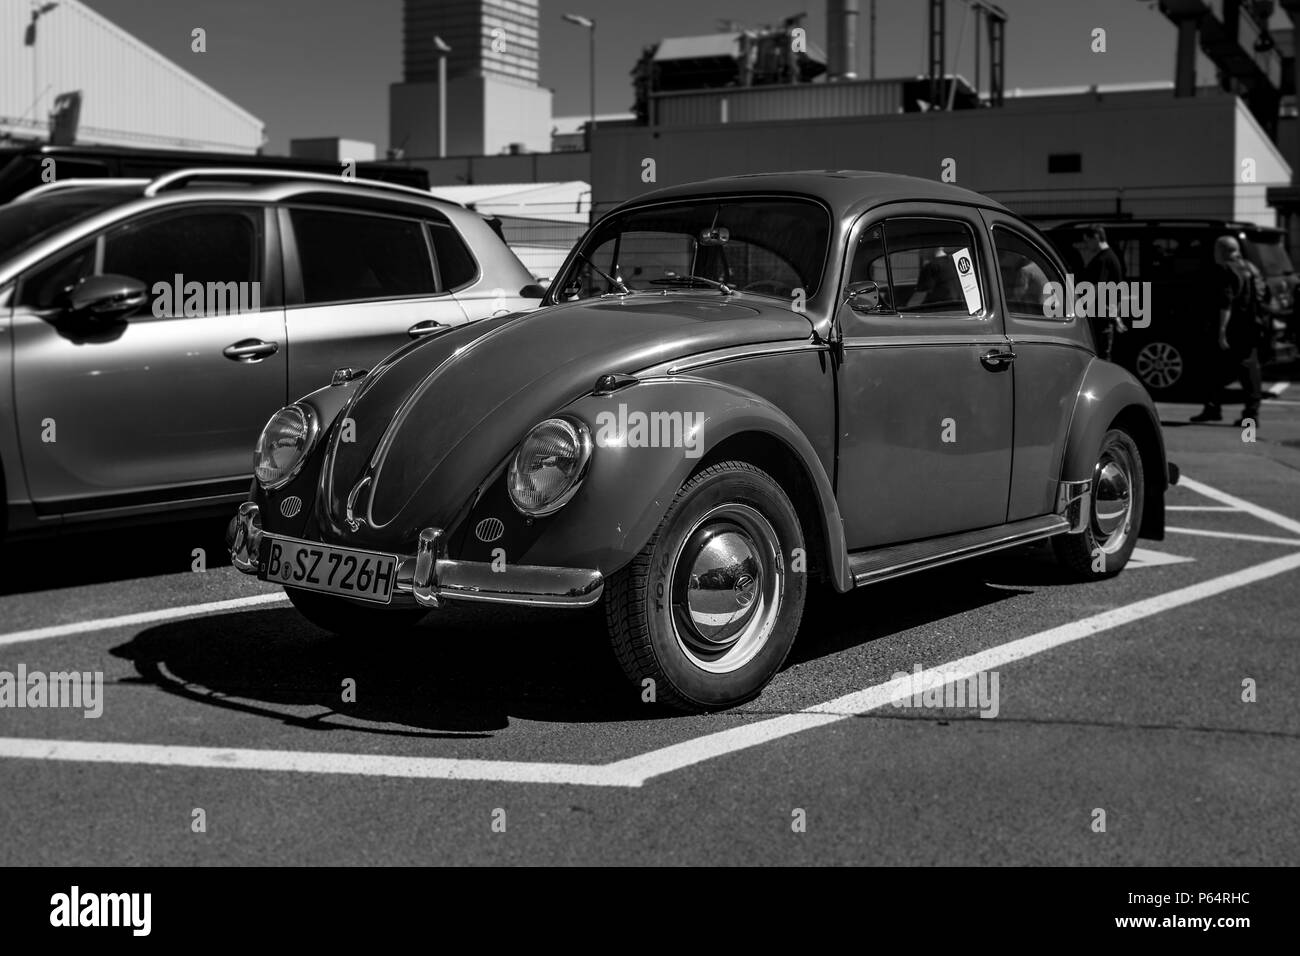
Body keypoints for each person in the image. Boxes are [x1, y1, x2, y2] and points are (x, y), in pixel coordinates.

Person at [1190, 236, 1264, 427]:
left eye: (1216, 249)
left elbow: (1226, 303)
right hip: (1253, 326)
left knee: (1214, 367)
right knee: (1248, 370)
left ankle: (1216, 408)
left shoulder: (1226, 270)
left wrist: (1222, 331)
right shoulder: (1251, 268)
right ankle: (1248, 412)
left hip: (1234, 328)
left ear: (1222, 251)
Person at [1074, 223, 1126, 359]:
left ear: (1096, 238)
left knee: (1099, 355)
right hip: (1104, 315)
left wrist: (1080, 304)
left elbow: (1098, 286)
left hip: (1100, 316)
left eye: (1087, 241)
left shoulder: (1103, 259)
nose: (1086, 245)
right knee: (1102, 354)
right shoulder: (1109, 257)